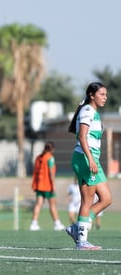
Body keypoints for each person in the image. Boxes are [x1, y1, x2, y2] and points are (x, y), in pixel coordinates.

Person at [66, 82, 112, 250]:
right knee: (87, 200)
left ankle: (77, 228)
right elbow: (83, 138)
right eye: (102, 94)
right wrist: (91, 160)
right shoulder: (87, 111)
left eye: (106, 94)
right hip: (85, 159)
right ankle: (82, 241)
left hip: (92, 159)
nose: (105, 97)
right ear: (91, 95)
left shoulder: (93, 113)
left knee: (106, 199)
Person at [29, 141, 65, 231]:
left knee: (38, 204)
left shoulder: (39, 157)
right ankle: (57, 224)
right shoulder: (50, 158)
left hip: (39, 185)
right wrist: (53, 186)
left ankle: (33, 223)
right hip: (48, 186)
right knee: (52, 205)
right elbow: (51, 173)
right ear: (52, 149)